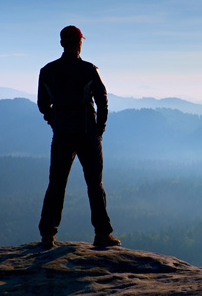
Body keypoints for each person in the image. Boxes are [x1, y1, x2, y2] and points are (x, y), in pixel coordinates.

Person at [37, 25, 120, 248]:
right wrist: (99, 128)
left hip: (62, 133)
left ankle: (48, 235)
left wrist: (53, 120)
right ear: (79, 43)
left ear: (62, 43)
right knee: (95, 185)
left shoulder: (47, 71)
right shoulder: (89, 69)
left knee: (56, 184)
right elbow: (102, 100)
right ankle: (102, 234)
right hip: (87, 134)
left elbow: (43, 105)